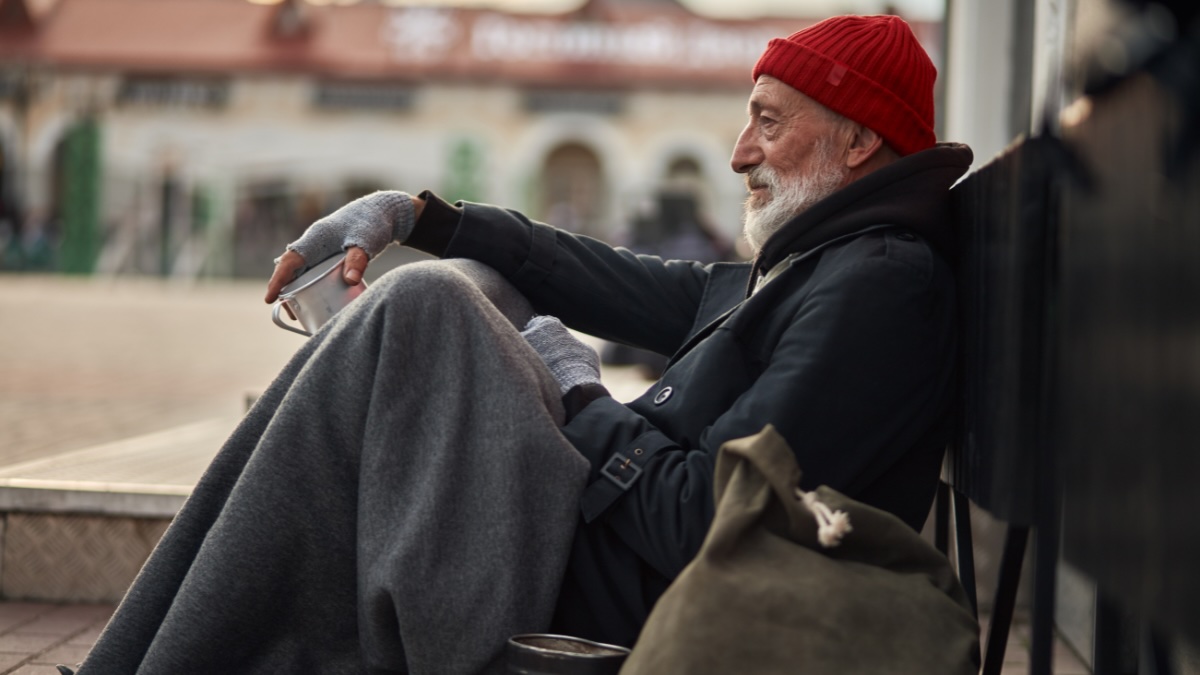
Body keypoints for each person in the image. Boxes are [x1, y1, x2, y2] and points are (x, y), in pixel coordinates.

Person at [72, 14, 973, 675]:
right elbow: (588, 273)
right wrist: (423, 216)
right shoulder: (817, 265)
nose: (740, 151)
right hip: (588, 552)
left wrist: (578, 391)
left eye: (770, 120)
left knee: (423, 312)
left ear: (858, 140)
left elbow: (706, 521)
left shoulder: (878, 288)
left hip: (615, 606)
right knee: (442, 304)